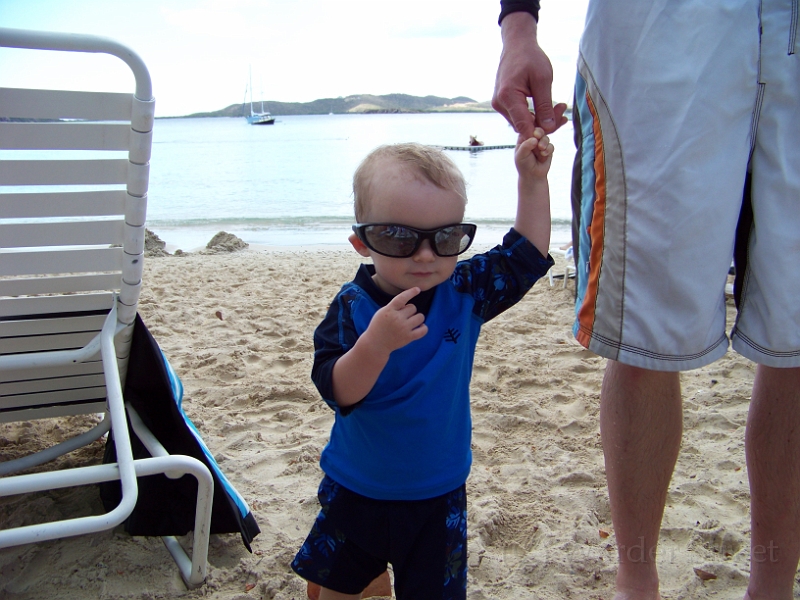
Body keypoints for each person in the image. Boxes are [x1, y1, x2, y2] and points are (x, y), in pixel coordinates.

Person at [493, 1, 800, 598]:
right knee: (640, 333)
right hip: (664, 22)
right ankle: (636, 582)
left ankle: (774, 586)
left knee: (796, 342)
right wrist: (518, 24)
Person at [291, 132, 555, 599]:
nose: (426, 255)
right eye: (398, 237)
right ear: (361, 242)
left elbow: (525, 256)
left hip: (438, 493)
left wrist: (532, 180)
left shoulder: (465, 292)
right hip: (358, 489)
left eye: (446, 237)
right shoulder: (352, 307)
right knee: (337, 588)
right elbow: (337, 390)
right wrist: (376, 345)